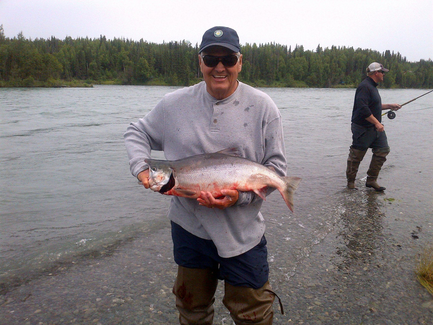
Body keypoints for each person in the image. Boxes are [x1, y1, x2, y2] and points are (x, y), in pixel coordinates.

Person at [124, 26, 287, 324]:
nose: (219, 66)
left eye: (228, 58)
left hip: (242, 234)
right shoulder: (172, 104)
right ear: (200, 62)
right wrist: (141, 168)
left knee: (253, 315)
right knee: (191, 309)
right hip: (189, 231)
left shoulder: (264, 107)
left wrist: (239, 198)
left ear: (240, 62)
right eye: (211, 58)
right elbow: (136, 132)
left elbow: (276, 170)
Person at [346, 62, 401, 191]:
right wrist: (377, 123)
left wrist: (389, 106)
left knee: (383, 150)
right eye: (382, 72)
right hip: (363, 128)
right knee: (357, 156)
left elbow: (373, 105)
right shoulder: (364, 87)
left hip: (375, 128)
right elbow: (362, 109)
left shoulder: (372, 87)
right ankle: (350, 183)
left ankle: (371, 180)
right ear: (376, 73)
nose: (383, 75)